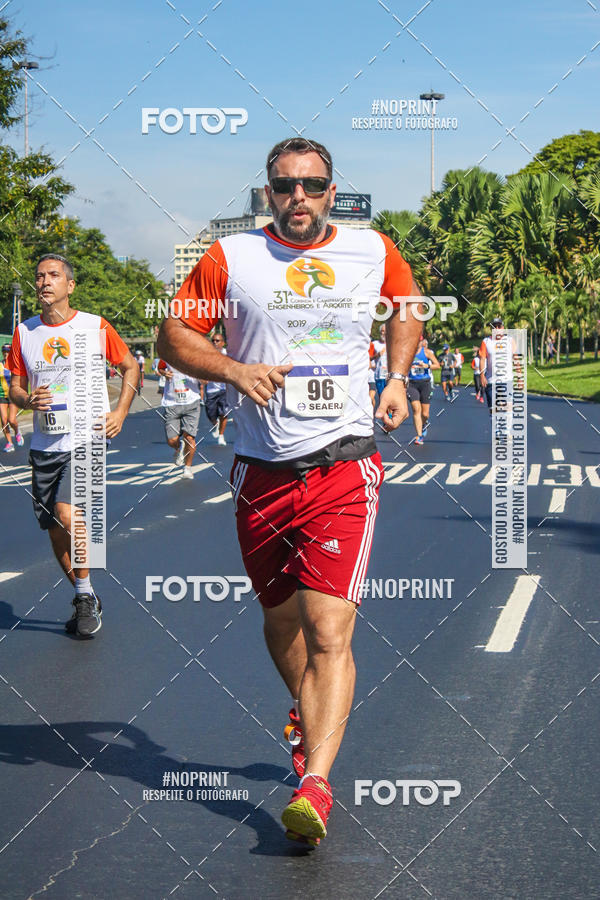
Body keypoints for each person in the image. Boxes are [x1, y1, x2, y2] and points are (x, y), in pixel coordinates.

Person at [157, 137, 422, 846]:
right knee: (281, 624)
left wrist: (396, 376)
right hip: (260, 473)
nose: (297, 197)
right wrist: (232, 369)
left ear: (333, 190)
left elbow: (408, 303)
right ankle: (307, 723)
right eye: (284, 186)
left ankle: (316, 784)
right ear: (267, 192)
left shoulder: (372, 250)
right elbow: (173, 335)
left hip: (343, 467)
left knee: (330, 629)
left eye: (311, 185)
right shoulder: (232, 258)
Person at [8, 253, 139, 636]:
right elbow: (14, 387)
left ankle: (82, 599)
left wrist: (121, 413)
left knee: (69, 514)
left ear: (70, 285)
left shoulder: (95, 326)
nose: (44, 282)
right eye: (39, 276)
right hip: (45, 443)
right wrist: (25, 400)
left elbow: (130, 366)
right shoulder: (24, 333)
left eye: (52, 275)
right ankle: (88, 593)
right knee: (53, 528)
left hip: (88, 438)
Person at [157, 359, 201, 478]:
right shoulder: (168, 354)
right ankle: (178, 448)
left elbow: (206, 376)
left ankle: (187, 468)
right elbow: (160, 368)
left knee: (190, 438)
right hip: (171, 402)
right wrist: (164, 373)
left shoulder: (195, 356)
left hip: (192, 402)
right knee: (172, 440)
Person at [407, 338, 440, 445]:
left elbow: (438, 365)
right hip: (412, 384)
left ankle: (424, 423)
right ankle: (419, 436)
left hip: (425, 383)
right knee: (416, 410)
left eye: (419, 341)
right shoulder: (408, 352)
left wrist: (427, 366)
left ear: (421, 342)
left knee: (425, 414)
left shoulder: (427, 352)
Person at [203, 331, 229, 445]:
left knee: (224, 413)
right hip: (211, 389)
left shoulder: (227, 354)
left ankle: (221, 436)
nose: (215, 342)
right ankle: (215, 424)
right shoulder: (207, 354)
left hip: (224, 389)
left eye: (217, 341)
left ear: (223, 343)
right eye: (213, 341)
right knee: (210, 413)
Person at [1, 343, 24, 452]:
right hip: (2, 395)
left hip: (13, 396)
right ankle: (9, 443)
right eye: (4, 352)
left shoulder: (16, 365)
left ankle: (17, 431)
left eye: (8, 352)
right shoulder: (0, 365)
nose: (6, 354)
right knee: (4, 421)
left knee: (11, 419)